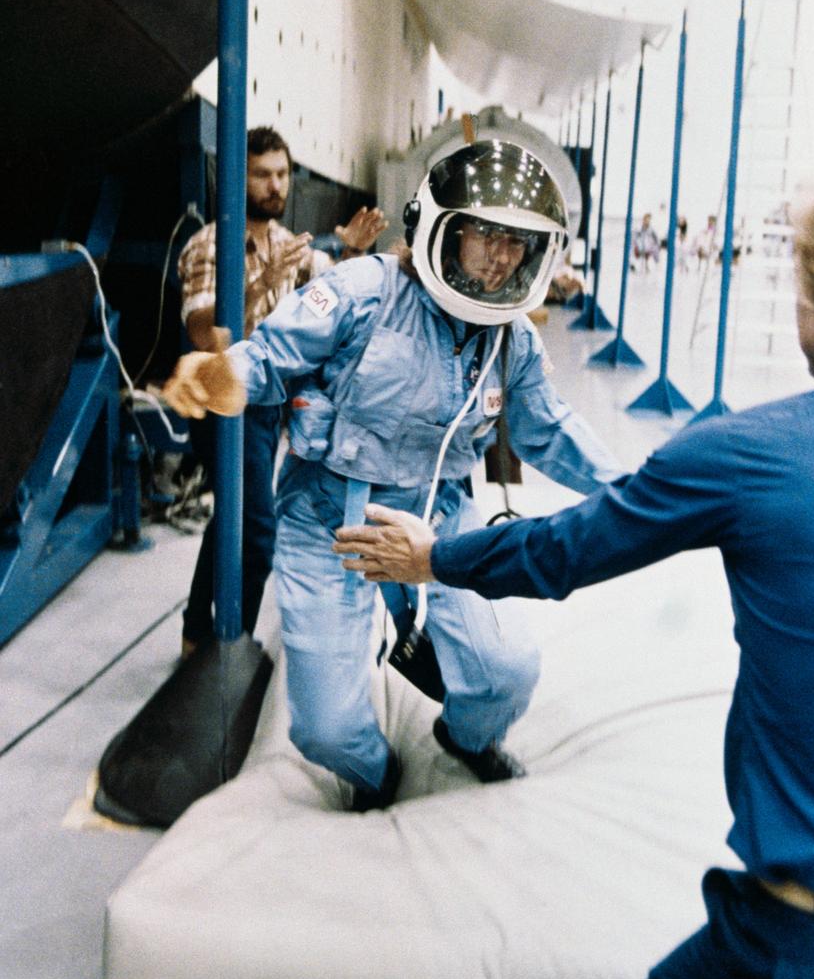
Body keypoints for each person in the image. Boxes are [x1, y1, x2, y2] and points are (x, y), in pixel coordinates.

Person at [334, 181, 814, 979]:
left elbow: (568, 540)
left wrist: (437, 559)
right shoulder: (369, 299)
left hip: (795, 938)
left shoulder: (750, 455)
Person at [163, 136, 621, 811]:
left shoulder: (510, 338)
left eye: (518, 242)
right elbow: (268, 358)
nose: (502, 257)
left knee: (506, 674)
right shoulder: (362, 293)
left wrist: (639, 492)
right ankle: (376, 775)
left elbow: (549, 429)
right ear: (443, 230)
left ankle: (466, 738)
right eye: (486, 235)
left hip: (436, 516)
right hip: (329, 520)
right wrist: (220, 376)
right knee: (324, 730)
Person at [177, 125, 387, 657]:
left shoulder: (284, 242)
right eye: (262, 175)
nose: (276, 186)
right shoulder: (208, 245)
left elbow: (330, 292)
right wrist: (261, 283)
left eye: (282, 174)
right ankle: (232, 646)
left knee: (232, 521)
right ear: (236, 180)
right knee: (256, 531)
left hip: (267, 405)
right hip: (227, 403)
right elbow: (202, 331)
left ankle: (197, 634)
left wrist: (351, 251)